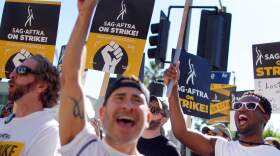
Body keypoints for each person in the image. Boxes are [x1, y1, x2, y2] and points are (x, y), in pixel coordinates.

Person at [59, 0, 151, 155]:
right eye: (119, 98)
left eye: (137, 100)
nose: (127, 106)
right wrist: (85, 15)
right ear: (102, 112)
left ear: (148, 117)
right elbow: (70, 78)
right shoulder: (82, 148)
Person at [163, 62, 280, 156]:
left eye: (250, 106)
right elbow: (181, 132)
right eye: (237, 106)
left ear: (265, 117)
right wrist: (173, 88)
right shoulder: (221, 148)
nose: (242, 109)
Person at [0, 54, 61, 156]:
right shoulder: (2, 122)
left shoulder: (49, 130)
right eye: (14, 70)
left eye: (21, 70)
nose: (11, 75)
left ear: (41, 86)